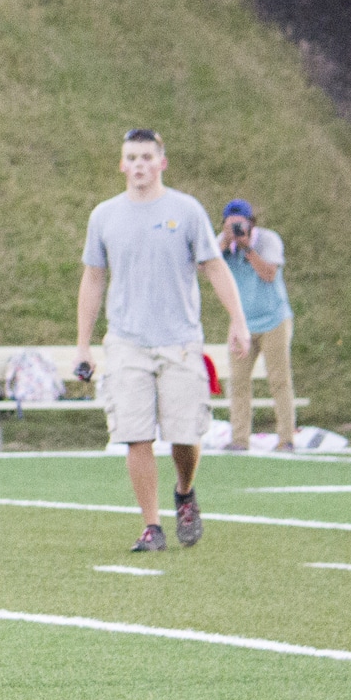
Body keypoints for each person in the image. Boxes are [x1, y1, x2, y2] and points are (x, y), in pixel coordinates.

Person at [73, 129, 252, 553]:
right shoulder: (104, 216)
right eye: (131, 157)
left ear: (161, 163)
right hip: (127, 341)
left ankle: (185, 491)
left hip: (180, 340)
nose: (138, 164)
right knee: (136, 435)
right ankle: (151, 526)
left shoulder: (186, 211)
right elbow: (93, 279)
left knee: (185, 434)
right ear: (121, 164)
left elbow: (214, 268)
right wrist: (83, 344)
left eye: (146, 157)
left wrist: (237, 321)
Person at [216, 197, 296, 453]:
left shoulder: (268, 240)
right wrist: (224, 244)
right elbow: (206, 269)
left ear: (251, 223)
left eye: (241, 224)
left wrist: (248, 248)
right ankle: (239, 438)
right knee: (238, 381)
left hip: (274, 319)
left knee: (279, 380)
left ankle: (286, 439)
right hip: (243, 324)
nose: (237, 230)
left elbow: (269, 274)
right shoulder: (225, 245)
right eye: (232, 225)